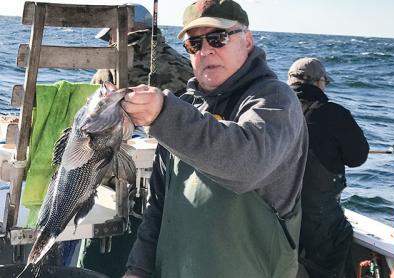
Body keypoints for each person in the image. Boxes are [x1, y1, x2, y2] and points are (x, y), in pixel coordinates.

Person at [121, 0, 308, 277]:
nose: (206, 50)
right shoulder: (184, 108)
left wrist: (163, 113)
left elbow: (246, 165)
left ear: (247, 41)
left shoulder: (275, 100)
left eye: (217, 38)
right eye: (194, 44)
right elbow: (159, 206)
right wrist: (137, 269)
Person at [77, 4, 193, 278]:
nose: (109, 42)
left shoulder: (108, 72)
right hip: (170, 200)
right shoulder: (184, 65)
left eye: (110, 36)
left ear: (126, 31)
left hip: (113, 198)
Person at [287, 57, 369, 278]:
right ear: (319, 82)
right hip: (318, 223)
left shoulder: (273, 109)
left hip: (274, 218)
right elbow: (358, 157)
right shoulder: (334, 114)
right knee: (340, 238)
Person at [91, 3, 193, 95]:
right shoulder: (189, 66)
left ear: (127, 29)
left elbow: (89, 110)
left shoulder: (109, 70)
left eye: (110, 36)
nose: (109, 42)